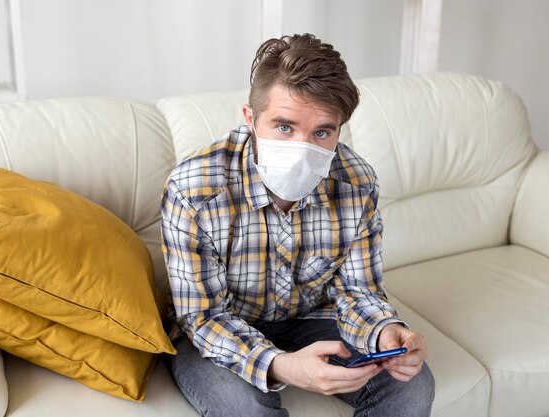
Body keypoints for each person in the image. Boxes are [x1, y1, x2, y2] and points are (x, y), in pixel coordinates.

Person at [160, 33, 435, 417]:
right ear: (250, 119)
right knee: (244, 409)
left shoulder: (356, 183)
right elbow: (202, 317)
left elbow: (359, 291)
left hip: (311, 319)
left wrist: (384, 332)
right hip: (219, 328)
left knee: (412, 386)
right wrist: (282, 365)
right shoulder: (194, 189)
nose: (303, 149)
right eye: (284, 127)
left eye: (322, 132)